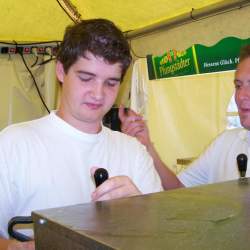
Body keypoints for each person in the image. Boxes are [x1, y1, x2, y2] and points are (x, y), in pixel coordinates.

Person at [0, 19, 162, 249]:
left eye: (111, 83)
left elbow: (161, 238)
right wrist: (15, 247)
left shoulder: (133, 151)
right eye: (86, 78)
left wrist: (140, 213)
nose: (98, 94)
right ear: (60, 71)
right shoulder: (14, 144)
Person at [119, 44, 250, 190]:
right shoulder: (226, 143)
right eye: (238, 86)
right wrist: (147, 146)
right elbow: (178, 188)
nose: (241, 96)